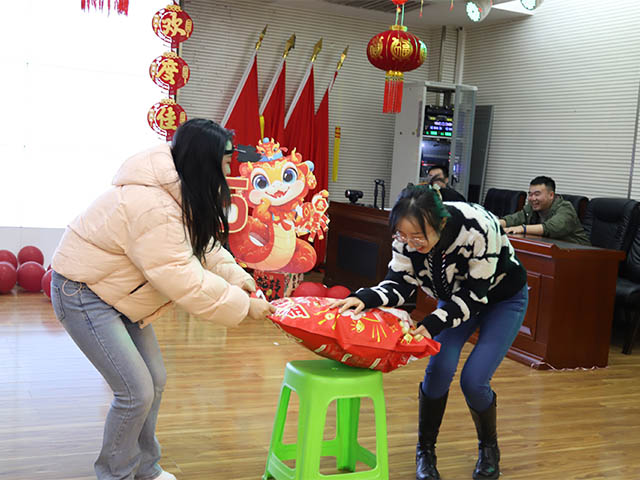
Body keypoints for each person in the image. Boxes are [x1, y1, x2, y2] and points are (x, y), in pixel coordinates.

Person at [50, 118, 275, 480]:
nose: (230, 170)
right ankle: (116, 474)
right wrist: (244, 306)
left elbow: (203, 246)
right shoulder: (153, 205)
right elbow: (183, 278)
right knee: (135, 391)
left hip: (117, 292)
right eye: (225, 161)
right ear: (204, 161)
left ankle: (145, 468)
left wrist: (238, 278)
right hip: (83, 291)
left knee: (153, 380)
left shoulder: (179, 187)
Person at [330, 184, 528, 480]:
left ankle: (489, 448)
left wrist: (432, 323)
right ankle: (425, 450)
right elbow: (399, 283)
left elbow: (474, 296)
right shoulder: (405, 239)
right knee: (438, 372)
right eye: (402, 235)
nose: (410, 243)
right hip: (454, 301)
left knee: (474, 380)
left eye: (418, 236)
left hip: (501, 300)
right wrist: (366, 297)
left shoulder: (478, 227)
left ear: (441, 223)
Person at [499, 176, 590, 245]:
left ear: (551, 195)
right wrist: (494, 223)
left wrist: (522, 229)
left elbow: (551, 228)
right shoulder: (531, 207)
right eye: (530, 194)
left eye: (537, 194)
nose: (533, 198)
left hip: (580, 254)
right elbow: (514, 219)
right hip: (551, 252)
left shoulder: (565, 208)